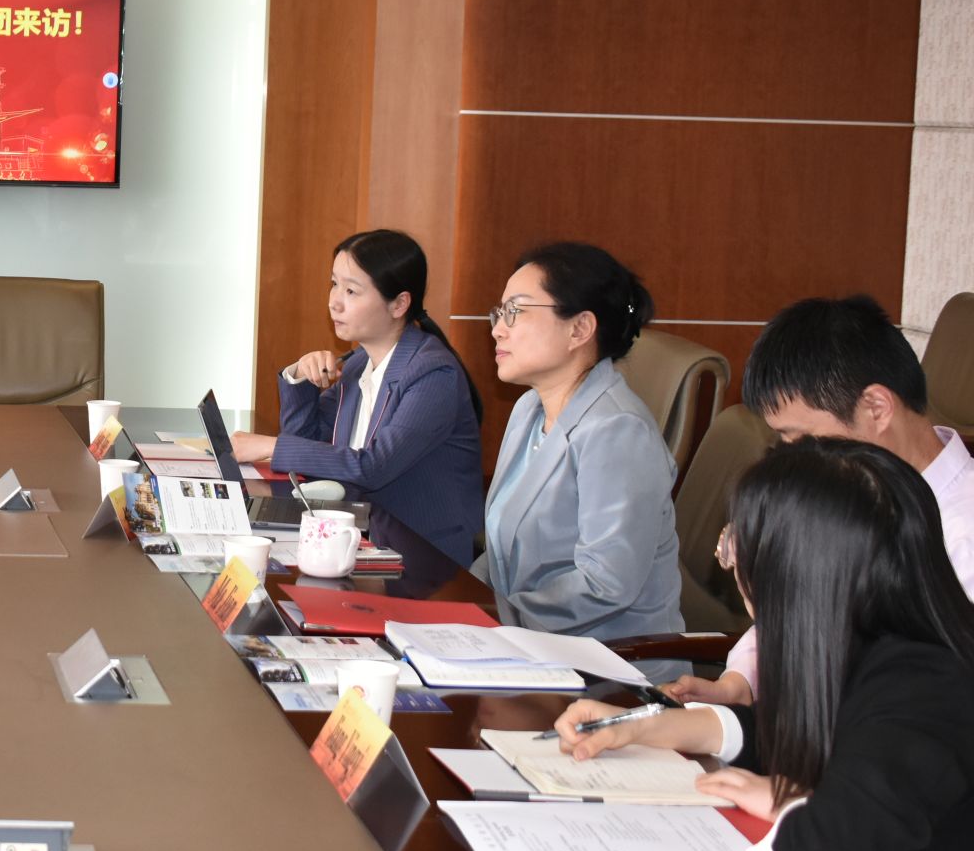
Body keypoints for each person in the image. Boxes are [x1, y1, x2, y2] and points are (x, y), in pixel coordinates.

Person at [554, 439, 974, 851]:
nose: (735, 568)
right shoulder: (867, 636)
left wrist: (786, 801)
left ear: (797, 573)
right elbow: (810, 737)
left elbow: (834, 849)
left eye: (739, 548)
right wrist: (668, 726)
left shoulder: (926, 684)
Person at [668, 294, 974, 705]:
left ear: (876, 408)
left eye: (800, 437)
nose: (792, 456)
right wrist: (741, 681)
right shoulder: (856, 494)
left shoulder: (962, 536)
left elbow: (924, 696)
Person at [472, 241, 683, 648]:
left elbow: (605, 583)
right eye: (499, 313)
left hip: (609, 661)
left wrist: (494, 620)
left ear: (580, 329)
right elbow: (500, 554)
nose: (498, 328)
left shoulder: (617, 430)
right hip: (528, 642)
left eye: (516, 311)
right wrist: (459, 604)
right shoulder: (529, 408)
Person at [228, 229, 483, 564]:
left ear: (399, 304)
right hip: (359, 539)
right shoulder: (359, 362)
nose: (334, 301)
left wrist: (269, 447)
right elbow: (307, 443)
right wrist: (300, 378)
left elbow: (372, 466)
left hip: (421, 556)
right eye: (334, 284)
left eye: (351, 290)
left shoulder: (433, 374)